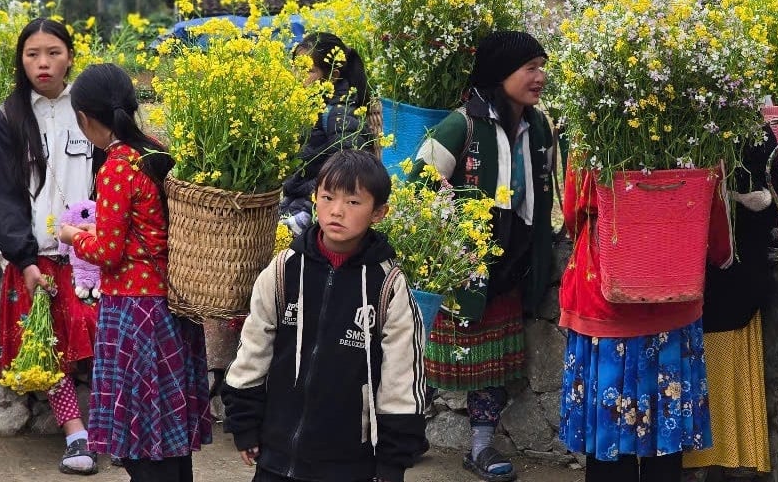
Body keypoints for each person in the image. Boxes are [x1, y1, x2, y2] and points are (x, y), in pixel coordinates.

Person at [222, 149, 429, 482]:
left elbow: (401, 377)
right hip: (276, 456)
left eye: (353, 202)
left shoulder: (388, 286)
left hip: (349, 463)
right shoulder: (283, 270)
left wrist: (393, 460)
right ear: (314, 198)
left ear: (379, 212)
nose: (336, 211)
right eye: (328, 197)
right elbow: (253, 349)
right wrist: (244, 424)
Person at [409, 30, 557, 482]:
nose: (540, 76)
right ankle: (402, 432)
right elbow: (417, 184)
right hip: (462, 267)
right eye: (530, 67)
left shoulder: (540, 126)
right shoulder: (462, 125)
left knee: (491, 363)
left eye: (541, 66)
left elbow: (547, 191)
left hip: (510, 265)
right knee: (431, 356)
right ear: (500, 74)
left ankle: (480, 447)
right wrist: (456, 236)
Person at [55, 63, 213, 481]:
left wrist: (72, 236)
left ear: (84, 118)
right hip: (173, 304)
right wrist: (97, 229)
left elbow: (107, 251)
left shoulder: (116, 167)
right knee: (169, 426)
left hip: (134, 312)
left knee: (142, 429)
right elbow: (146, 228)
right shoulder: (155, 152)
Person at [0, 17, 101, 475]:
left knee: (103, 339)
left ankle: (110, 425)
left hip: (93, 255)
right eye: (32, 54)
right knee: (48, 346)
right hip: (40, 259)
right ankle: (76, 435)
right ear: (21, 60)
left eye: (53, 52)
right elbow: (5, 196)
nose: (43, 63)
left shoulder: (92, 108)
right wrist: (23, 257)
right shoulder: (8, 118)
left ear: (70, 55)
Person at [556, 164, 713, 482]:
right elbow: (711, 206)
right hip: (673, 290)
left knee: (608, 444)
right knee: (665, 445)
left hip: (604, 293)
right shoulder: (701, 130)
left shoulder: (594, 125)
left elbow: (576, 206)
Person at [681, 130, 778, 479]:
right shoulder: (674, 123)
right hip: (686, 281)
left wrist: (739, 199)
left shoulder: (750, 131)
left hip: (732, 279)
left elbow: (773, 204)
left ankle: (725, 460)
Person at [279, 32, 374, 225]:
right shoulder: (306, 106)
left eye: (308, 71)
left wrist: (310, 207)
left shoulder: (339, 113)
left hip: (317, 207)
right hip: (297, 197)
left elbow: (350, 170)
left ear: (332, 76)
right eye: (295, 68)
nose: (298, 77)